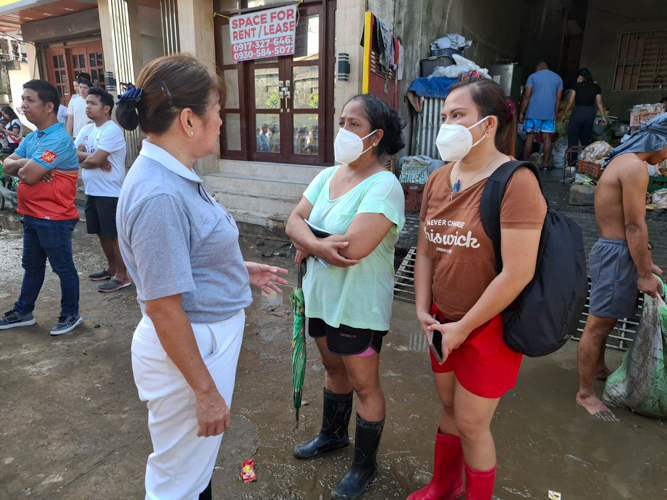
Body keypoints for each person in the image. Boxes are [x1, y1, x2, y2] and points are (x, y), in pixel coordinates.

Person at [114, 54, 288, 500]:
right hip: (189, 348)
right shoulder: (159, 194)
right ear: (189, 120)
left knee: (193, 467)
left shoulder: (177, 174)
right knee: (177, 482)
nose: (221, 123)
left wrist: (235, 269)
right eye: (218, 112)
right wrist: (206, 392)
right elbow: (162, 305)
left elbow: (185, 253)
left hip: (201, 341)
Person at [409, 78, 546, 500]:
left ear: (487, 125)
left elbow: (517, 273)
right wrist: (421, 309)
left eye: (457, 116)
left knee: (472, 423)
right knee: (449, 409)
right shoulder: (437, 179)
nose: (446, 125)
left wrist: (464, 328)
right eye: (445, 116)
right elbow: (426, 251)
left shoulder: (515, 182)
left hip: (489, 326)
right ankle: (443, 485)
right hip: (441, 319)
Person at [286, 94, 406, 500]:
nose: (343, 131)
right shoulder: (327, 176)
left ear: (377, 136)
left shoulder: (385, 185)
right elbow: (292, 219)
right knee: (333, 370)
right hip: (321, 298)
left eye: (353, 124)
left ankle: (364, 465)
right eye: (341, 122)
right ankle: (332, 436)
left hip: (359, 305)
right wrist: (318, 243)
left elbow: (352, 250)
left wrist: (310, 244)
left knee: (364, 385)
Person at [576, 114, 667, 421]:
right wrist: (643, 274)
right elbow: (633, 224)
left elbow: (629, 226)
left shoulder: (623, 162)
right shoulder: (635, 167)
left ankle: (599, 368)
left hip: (616, 250)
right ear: (659, 141)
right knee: (598, 324)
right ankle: (585, 393)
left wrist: (645, 261)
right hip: (616, 253)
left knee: (606, 320)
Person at [0, 80, 82, 335]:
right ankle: (23, 311)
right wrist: (27, 163)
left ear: (49, 106)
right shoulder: (33, 137)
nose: (23, 106)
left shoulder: (58, 139)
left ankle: (71, 314)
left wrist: (27, 168)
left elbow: (30, 176)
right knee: (32, 267)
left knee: (63, 268)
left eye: (30, 100)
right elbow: (7, 164)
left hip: (54, 217)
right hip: (32, 213)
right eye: (23, 99)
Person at [75, 86, 130, 293]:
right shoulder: (87, 129)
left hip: (110, 192)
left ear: (106, 108)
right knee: (100, 233)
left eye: (93, 103)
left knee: (114, 235)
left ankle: (122, 276)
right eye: (87, 103)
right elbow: (70, 155)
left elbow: (94, 159)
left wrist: (94, 158)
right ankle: (112, 268)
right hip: (92, 190)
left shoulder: (111, 130)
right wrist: (91, 159)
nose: (87, 107)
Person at [519, 61, 563, 170]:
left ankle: (525, 164)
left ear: (538, 68)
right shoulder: (558, 78)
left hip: (533, 113)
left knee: (530, 138)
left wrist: (521, 112)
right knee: (547, 139)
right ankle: (545, 165)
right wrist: (555, 114)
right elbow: (558, 99)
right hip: (549, 114)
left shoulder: (533, 77)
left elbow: (527, 96)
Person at [561, 68, 607, 150]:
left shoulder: (577, 86)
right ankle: (585, 159)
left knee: (573, 136)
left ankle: (572, 161)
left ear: (580, 77)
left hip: (579, 111)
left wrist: (564, 114)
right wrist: (603, 117)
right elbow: (599, 102)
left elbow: (570, 102)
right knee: (585, 137)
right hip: (590, 112)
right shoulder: (596, 87)